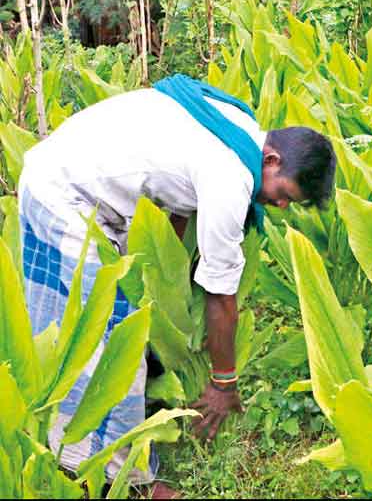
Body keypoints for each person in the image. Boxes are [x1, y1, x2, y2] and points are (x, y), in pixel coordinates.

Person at [17, 75, 336, 498]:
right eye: (284, 194)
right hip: (66, 195)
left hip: (67, 170)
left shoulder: (237, 124)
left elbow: (175, 200)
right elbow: (222, 297)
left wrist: (175, 295)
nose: (279, 206)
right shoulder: (230, 177)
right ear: (273, 160)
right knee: (108, 343)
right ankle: (116, 476)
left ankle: (129, 414)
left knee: (109, 321)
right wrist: (223, 384)